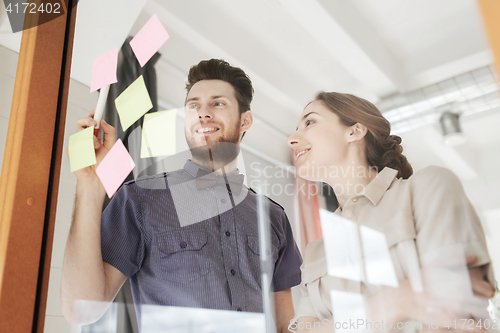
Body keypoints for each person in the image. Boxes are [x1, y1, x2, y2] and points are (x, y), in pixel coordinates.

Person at [61, 59, 302, 332]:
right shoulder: (139, 200)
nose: (203, 113)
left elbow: (286, 325)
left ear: (245, 120)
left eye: (218, 103)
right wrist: (89, 185)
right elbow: (79, 310)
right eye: (193, 105)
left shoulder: (274, 217)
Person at [286, 91, 495, 332]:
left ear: (355, 131)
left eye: (309, 122)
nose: (291, 139)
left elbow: (452, 313)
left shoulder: (429, 187)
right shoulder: (315, 253)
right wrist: (394, 301)